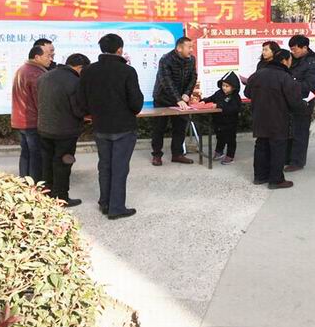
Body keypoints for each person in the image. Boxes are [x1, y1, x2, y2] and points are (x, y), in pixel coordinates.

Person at [77, 34, 144, 220]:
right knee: (120, 167)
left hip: (100, 126)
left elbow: (81, 101)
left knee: (105, 165)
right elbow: (136, 103)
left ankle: (105, 202)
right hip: (124, 127)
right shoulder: (127, 71)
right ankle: (117, 207)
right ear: (120, 50)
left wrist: (94, 113)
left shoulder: (88, 71)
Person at [245, 50, 307, 189]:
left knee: (261, 145)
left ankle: (260, 177)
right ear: (284, 61)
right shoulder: (285, 77)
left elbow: (247, 93)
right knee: (278, 148)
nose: (290, 63)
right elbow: (294, 101)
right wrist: (304, 105)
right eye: (290, 60)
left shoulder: (257, 74)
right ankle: (276, 180)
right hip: (278, 118)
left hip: (259, 117)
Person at [37, 53, 90, 207]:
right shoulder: (75, 82)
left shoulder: (44, 77)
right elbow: (78, 110)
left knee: (47, 162)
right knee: (64, 164)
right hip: (66, 131)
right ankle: (61, 197)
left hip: (44, 129)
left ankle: (48, 195)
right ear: (80, 68)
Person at [151, 36, 198, 166]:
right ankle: (156, 155)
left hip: (181, 98)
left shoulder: (191, 59)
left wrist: (187, 94)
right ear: (179, 48)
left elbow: (193, 77)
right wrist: (178, 99)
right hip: (163, 98)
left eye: (192, 47)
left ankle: (177, 154)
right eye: (189, 47)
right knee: (159, 128)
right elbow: (166, 81)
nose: (191, 50)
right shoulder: (166, 59)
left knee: (180, 127)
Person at [11, 46, 52, 182]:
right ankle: (34, 185)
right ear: (37, 57)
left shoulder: (22, 69)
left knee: (26, 154)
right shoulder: (35, 73)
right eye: (48, 56)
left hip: (20, 120)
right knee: (36, 155)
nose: (51, 59)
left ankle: (24, 182)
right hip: (32, 120)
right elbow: (40, 100)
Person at [286, 34, 315, 172]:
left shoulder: (314, 64)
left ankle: (297, 162)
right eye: (291, 49)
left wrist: (288, 84)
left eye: (295, 49)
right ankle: (287, 158)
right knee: (288, 131)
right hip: (289, 101)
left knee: (300, 133)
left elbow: (309, 85)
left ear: (305, 47)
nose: (292, 52)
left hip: (303, 102)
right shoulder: (292, 59)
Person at [203, 71, 242, 165]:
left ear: (233, 87)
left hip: (230, 123)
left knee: (230, 139)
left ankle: (230, 155)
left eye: (227, 86)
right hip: (218, 121)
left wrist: (218, 105)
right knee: (220, 137)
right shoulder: (219, 93)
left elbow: (234, 108)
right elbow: (211, 98)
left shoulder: (235, 97)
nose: (224, 87)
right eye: (223, 85)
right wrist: (203, 101)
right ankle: (219, 151)